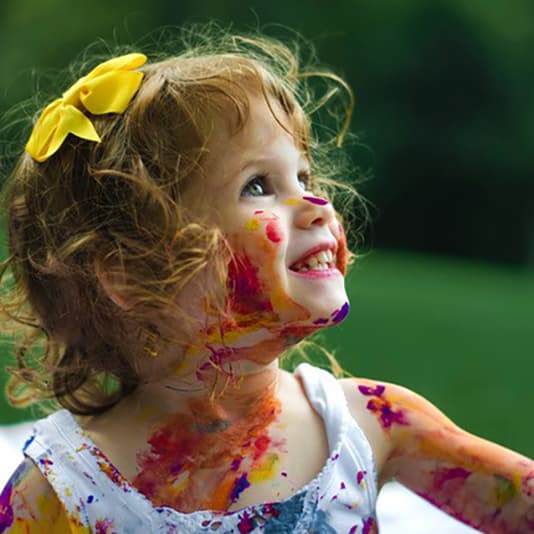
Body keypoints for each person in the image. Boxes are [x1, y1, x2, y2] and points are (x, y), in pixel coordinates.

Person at [0, 25, 532, 534]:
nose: (317, 204)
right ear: (130, 274)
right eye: (258, 186)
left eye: (304, 176)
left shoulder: (364, 427)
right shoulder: (66, 487)